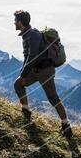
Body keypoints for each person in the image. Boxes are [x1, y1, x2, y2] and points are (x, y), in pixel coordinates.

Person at [12, 10, 73, 139]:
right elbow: (27, 56)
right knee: (18, 84)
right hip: (35, 70)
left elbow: (32, 56)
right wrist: (23, 73)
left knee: (53, 98)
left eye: (15, 21)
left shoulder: (32, 35)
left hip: (45, 71)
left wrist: (24, 74)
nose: (14, 23)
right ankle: (26, 111)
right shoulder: (27, 34)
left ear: (20, 22)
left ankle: (66, 125)